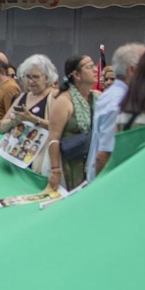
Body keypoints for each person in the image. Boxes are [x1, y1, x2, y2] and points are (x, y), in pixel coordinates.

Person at [87, 42, 144, 181]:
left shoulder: (109, 95)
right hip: (107, 182)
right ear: (132, 70)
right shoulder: (120, 103)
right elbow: (103, 155)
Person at [47, 54, 98, 189]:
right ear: (76, 74)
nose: (95, 70)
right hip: (72, 166)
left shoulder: (98, 97)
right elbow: (53, 138)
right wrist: (55, 169)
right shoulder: (64, 101)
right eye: (90, 67)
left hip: (95, 162)